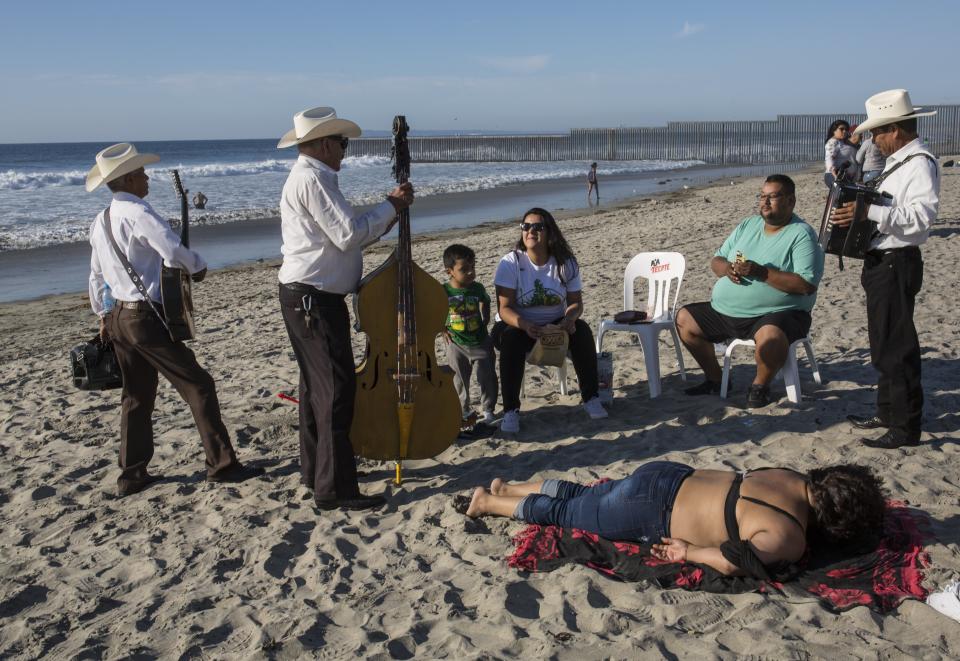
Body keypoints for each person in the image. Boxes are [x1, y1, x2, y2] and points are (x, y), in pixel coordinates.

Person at [86, 143, 263, 497]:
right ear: (128, 178)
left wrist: (103, 314)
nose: (147, 177)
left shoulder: (101, 219)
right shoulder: (139, 213)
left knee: (135, 396)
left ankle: (132, 475)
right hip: (144, 317)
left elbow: (95, 275)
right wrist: (198, 266)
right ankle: (222, 465)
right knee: (198, 385)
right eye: (141, 172)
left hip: (119, 315)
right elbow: (172, 250)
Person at [276, 106, 413, 510]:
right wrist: (391, 207)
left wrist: (387, 213)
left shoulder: (313, 177)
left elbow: (343, 232)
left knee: (316, 387)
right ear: (322, 143)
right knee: (335, 389)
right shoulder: (313, 179)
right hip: (312, 297)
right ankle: (334, 487)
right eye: (341, 142)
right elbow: (347, 234)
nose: (344, 149)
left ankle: (318, 470)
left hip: (308, 294)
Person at [464, 461, 886, 580]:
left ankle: (511, 487)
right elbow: (733, 560)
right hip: (653, 509)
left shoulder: (792, 477)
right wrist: (691, 551)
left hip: (669, 473)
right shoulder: (789, 535)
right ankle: (488, 503)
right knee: (567, 513)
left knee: (584, 495)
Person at [831, 89, 939, 449]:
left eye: (878, 133)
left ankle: (905, 426)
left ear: (895, 129)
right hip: (883, 260)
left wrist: (868, 212)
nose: (874, 140)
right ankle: (888, 411)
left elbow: (922, 220)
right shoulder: (900, 162)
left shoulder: (920, 162)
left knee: (897, 345)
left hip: (897, 261)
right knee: (882, 342)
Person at [675, 174, 824, 408]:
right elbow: (716, 260)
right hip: (727, 312)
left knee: (771, 338)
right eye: (762, 196)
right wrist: (726, 269)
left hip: (776, 314)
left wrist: (762, 273)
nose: (765, 202)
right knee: (685, 319)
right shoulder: (748, 225)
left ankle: (760, 386)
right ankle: (715, 379)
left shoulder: (801, 234)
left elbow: (806, 285)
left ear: (790, 201)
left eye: (773, 197)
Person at [492, 207, 607, 433]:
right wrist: (525, 325)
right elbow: (504, 309)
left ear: (549, 232)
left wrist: (569, 319)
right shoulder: (511, 262)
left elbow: (576, 303)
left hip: (555, 325)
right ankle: (510, 410)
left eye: (537, 227)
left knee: (582, 331)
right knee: (510, 339)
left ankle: (591, 397)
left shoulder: (565, 263)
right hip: (517, 325)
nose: (530, 231)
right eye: (526, 226)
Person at [442, 244, 498, 426]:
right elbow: (434, 310)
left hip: (480, 341)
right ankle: (463, 411)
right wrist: (442, 329)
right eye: (464, 269)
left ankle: (488, 409)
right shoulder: (444, 291)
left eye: (473, 267)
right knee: (458, 379)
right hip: (456, 343)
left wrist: (486, 316)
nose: (470, 272)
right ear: (449, 271)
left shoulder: (477, 288)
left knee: (487, 375)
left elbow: (486, 301)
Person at [823, 120, 858, 187]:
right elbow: (829, 158)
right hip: (835, 175)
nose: (844, 131)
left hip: (843, 175)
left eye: (846, 129)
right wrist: (834, 174)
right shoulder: (833, 142)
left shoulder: (841, 142)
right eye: (841, 129)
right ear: (834, 130)